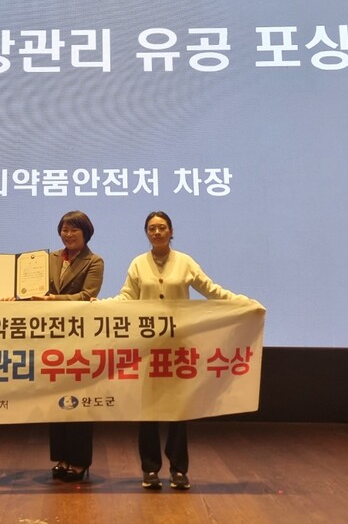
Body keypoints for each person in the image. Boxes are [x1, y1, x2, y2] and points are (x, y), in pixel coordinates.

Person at [110, 210, 253, 492]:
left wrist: (241, 302)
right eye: (152, 228)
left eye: (162, 227)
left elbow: (210, 289)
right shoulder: (138, 263)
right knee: (148, 412)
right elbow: (126, 297)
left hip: (178, 347)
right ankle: (150, 469)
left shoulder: (185, 262)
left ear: (171, 231)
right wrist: (98, 307)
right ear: (146, 233)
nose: (157, 232)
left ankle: (178, 470)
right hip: (149, 347)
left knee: (178, 410)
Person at [38, 210, 104, 482]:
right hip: (52, 337)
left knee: (79, 400)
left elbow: (87, 295)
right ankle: (62, 457)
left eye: (74, 229)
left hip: (79, 338)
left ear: (85, 232)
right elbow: (35, 288)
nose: (68, 234)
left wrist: (52, 300)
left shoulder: (94, 261)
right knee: (56, 398)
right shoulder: (48, 258)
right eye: (64, 229)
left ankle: (79, 460)